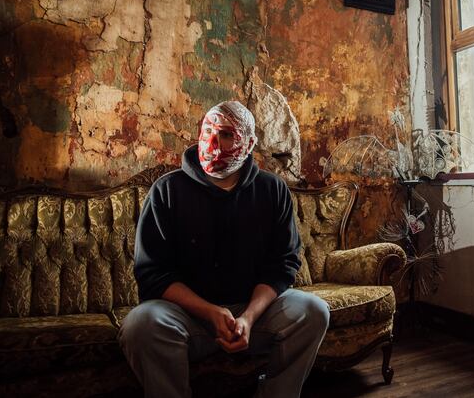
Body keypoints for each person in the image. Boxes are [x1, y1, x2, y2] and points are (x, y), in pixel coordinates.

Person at [118, 101, 329, 398]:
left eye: (227, 135)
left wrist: (248, 318)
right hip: (187, 317)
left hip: (254, 314)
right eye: (207, 132)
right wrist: (211, 312)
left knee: (314, 310)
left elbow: (283, 264)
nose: (213, 144)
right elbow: (152, 273)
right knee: (140, 324)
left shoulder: (273, 190)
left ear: (249, 143)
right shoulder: (166, 191)